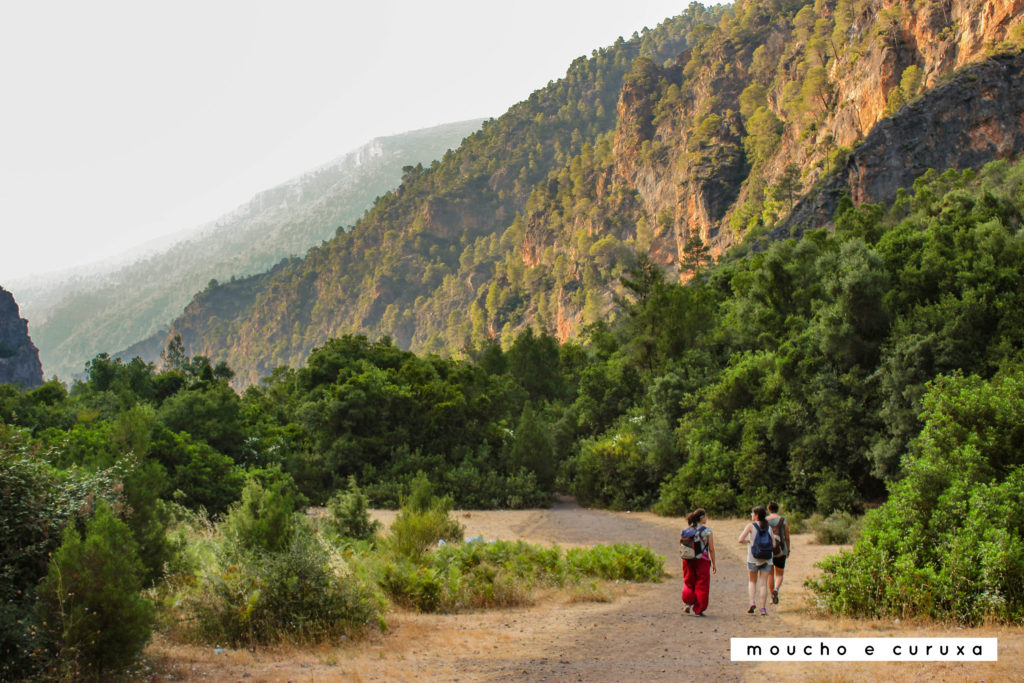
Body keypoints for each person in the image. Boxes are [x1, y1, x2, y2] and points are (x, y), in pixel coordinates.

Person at [680, 508, 716, 616]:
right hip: (702, 560)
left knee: (689, 581)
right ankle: (699, 608)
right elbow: (711, 549)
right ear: (702, 518)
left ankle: (688, 603)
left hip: (688, 560)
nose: (707, 518)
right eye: (706, 516)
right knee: (702, 584)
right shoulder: (707, 532)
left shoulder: (686, 531)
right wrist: (714, 563)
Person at [737, 505, 772, 616]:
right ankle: (763, 608)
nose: (751, 515)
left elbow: (740, 539)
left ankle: (752, 602)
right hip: (766, 558)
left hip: (753, 558)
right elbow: (774, 544)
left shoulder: (751, 526)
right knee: (763, 584)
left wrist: (749, 541)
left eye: (752, 513)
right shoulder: (769, 527)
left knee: (752, 581)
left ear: (756, 515)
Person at [766, 501, 791, 605]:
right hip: (781, 550)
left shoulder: (765, 520)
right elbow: (787, 537)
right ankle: (776, 589)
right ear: (777, 509)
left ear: (769, 509)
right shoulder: (783, 520)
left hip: (768, 550)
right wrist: (788, 550)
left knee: (770, 574)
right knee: (779, 573)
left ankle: (772, 597)